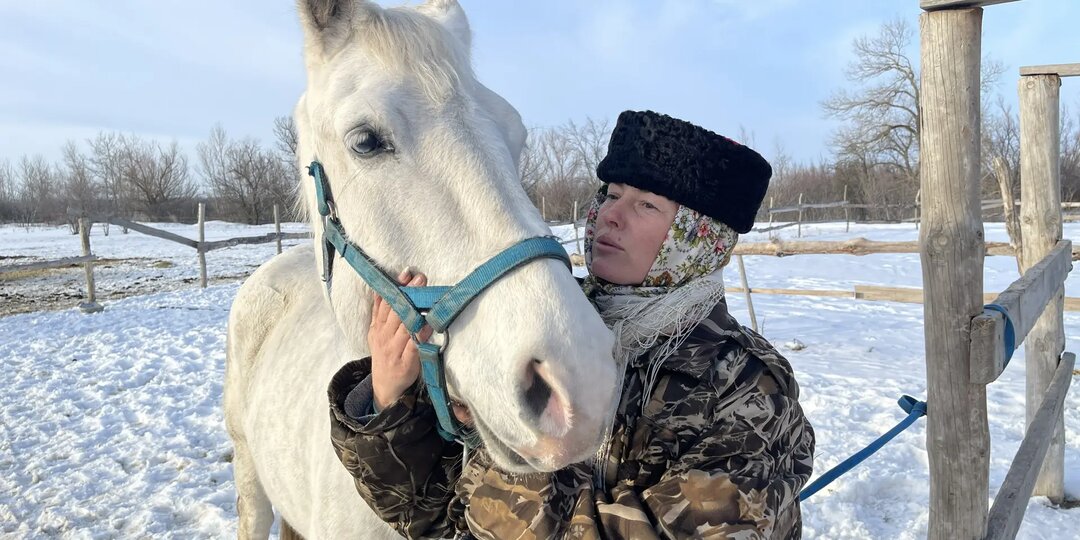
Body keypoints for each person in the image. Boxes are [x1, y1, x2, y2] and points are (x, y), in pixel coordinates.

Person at [327, 110, 815, 539]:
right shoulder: (542, 334)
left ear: (696, 240)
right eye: (612, 193)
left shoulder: (744, 386)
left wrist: (541, 447)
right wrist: (389, 405)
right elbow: (437, 519)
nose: (609, 216)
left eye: (646, 205)